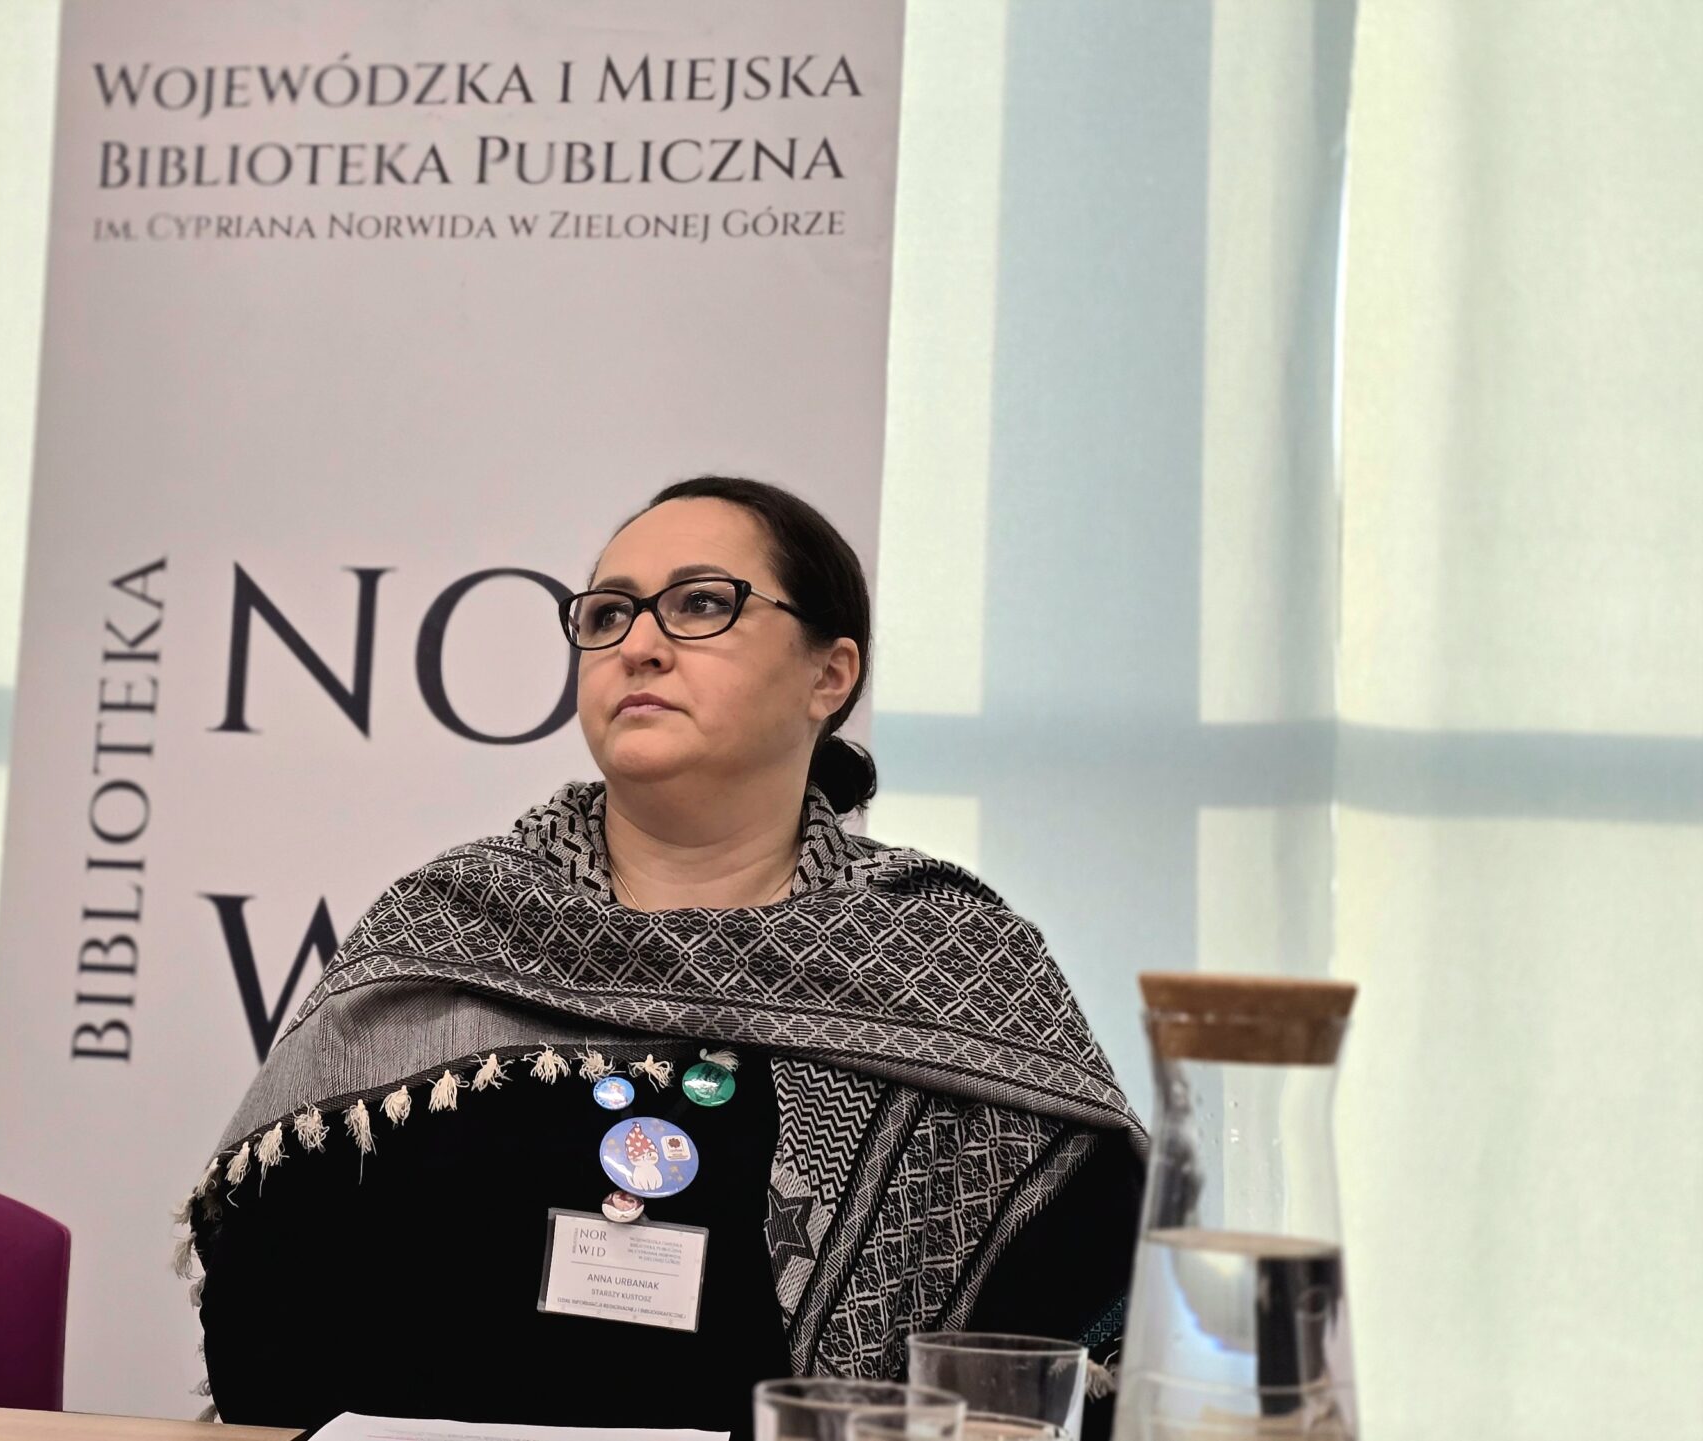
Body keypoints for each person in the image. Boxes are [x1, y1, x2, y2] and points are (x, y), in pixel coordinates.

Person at [186, 478, 1144, 1437]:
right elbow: (264, 1327)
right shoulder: (451, 924)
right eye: (608, 614)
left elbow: (1070, 1361)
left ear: (830, 674)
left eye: (700, 603)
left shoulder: (947, 959)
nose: (638, 643)